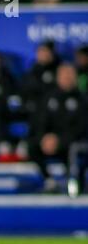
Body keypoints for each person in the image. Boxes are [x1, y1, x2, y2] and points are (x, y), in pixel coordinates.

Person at [28, 63, 85, 192]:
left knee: (76, 150)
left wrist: (60, 140)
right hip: (49, 141)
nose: (67, 78)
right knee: (32, 146)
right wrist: (44, 138)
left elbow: (81, 128)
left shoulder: (82, 99)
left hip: (70, 142)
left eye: (70, 75)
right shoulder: (49, 97)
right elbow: (40, 122)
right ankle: (49, 180)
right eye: (64, 75)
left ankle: (75, 184)